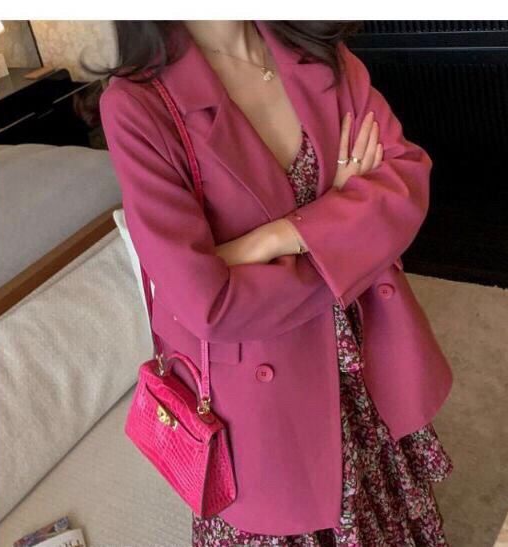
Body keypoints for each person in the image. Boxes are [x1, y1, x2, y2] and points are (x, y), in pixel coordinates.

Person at [98, 20, 454, 546]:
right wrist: (348, 227)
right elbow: (210, 303)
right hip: (265, 403)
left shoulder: (318, 51)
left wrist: (277, 238)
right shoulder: (138, 104)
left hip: (365, 365)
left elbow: (404, 179)